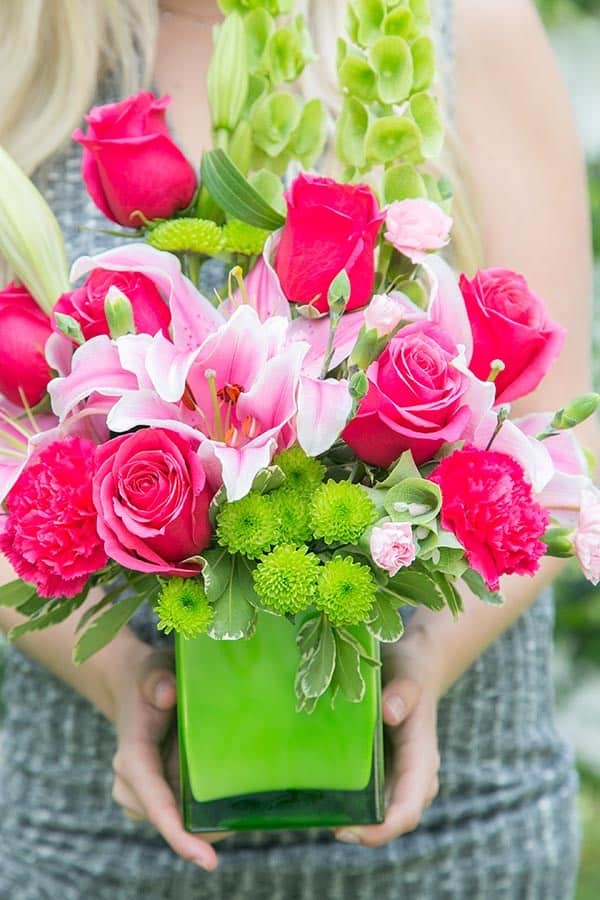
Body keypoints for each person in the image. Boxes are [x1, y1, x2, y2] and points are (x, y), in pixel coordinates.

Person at [0, 1, 597, 897]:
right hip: (89, 838)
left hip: (459, 830)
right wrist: (126, 679)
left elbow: (564, 433)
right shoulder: (24, 41)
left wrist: (423, 661)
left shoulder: (466, 24)